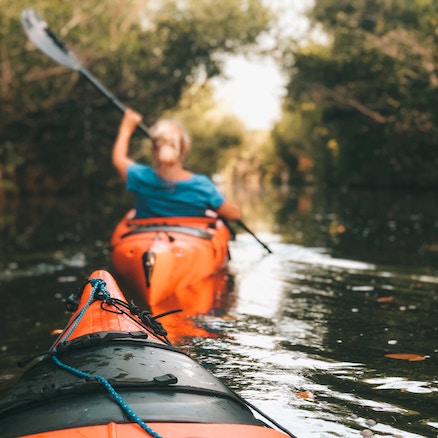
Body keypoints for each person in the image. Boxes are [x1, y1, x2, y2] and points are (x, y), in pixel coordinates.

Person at [112, 108, 242, 220]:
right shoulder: (202, 186)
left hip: (147, 244)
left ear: (153, 150)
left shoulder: (140, 177)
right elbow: (234, 215)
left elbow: (119, 159)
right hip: (190, 246)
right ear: (185, 148)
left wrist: (126, 128)